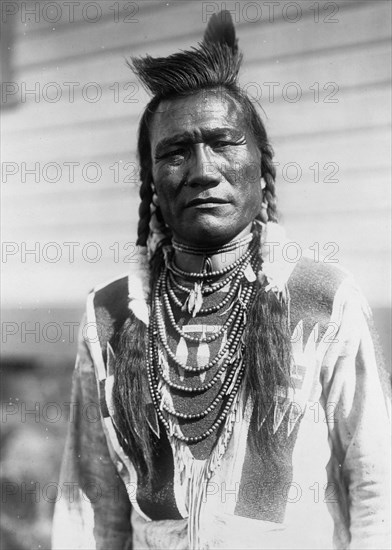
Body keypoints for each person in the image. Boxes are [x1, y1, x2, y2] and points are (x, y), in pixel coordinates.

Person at [52, 11, 391, 550]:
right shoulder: (110, 314)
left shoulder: (323, 300)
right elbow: (90, 504)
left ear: (261, 166)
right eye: (175, 152)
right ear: (152, 183)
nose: (203, 169)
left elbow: (377, 487)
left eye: (223, 143)